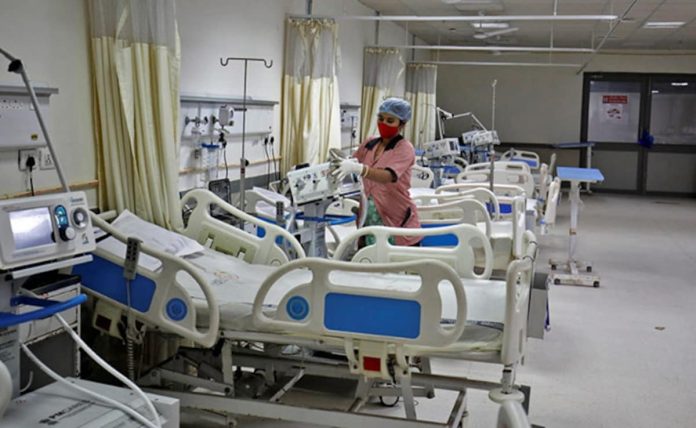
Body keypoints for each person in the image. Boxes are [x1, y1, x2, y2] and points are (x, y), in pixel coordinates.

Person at [332, 97, 421, 246]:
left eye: (390, 120)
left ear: (402, 124)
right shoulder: (370, 143)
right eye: (381, 118)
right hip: (368, 217)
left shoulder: (404, 148)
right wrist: (340, 163)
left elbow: (387, 176)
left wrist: (359, 169)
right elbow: (353, 164)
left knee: (393, 257)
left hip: (396, 219)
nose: (383, 123)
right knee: (367, 254)